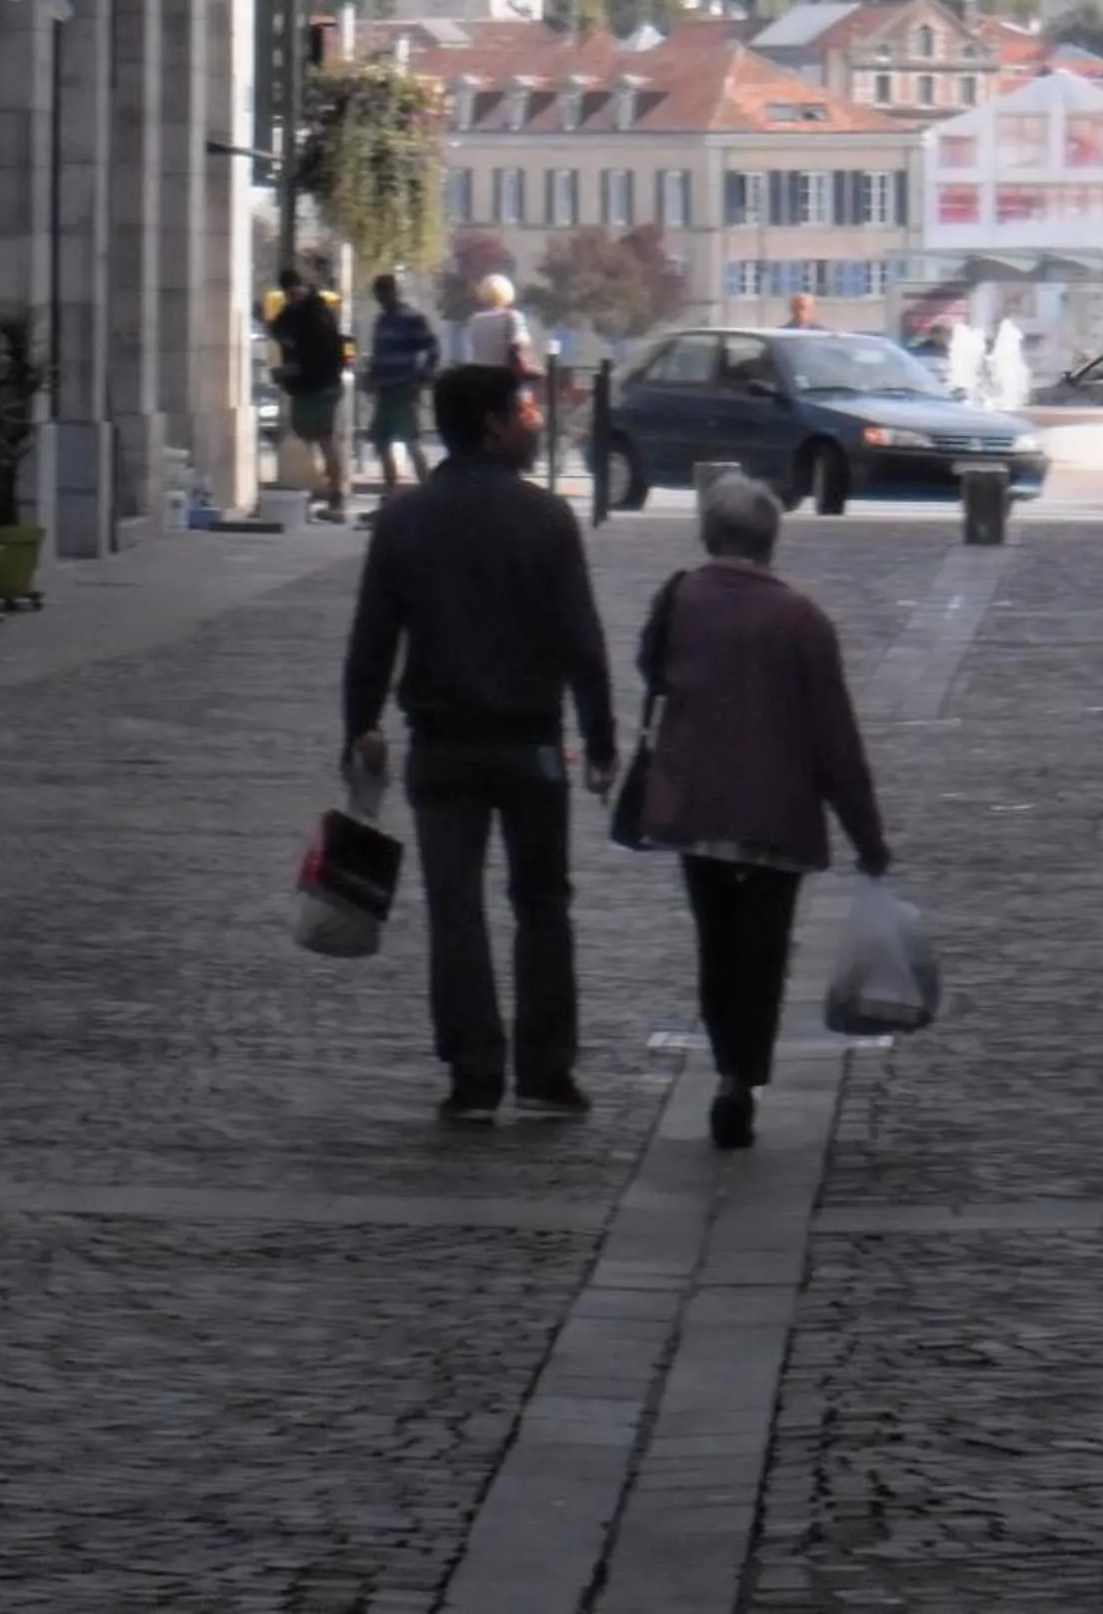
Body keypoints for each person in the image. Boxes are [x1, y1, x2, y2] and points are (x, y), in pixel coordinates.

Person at [344, 363, 617, 1123]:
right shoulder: (545, 519)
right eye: (524, 411)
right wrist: (600, 736)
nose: (533, 422)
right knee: (543, 904)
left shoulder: (405, 519)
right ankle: (546, 1069)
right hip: (530, 740)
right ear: (493, 425)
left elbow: (373, 635)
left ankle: (473, 1072)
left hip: (441, 742)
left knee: (455, 910)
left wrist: (360, 722)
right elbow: (581, 639)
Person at [638, 470, 890, 1151]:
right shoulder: (801, 619)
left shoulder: (681, 597)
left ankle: (728, 1068)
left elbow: (652, 675)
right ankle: (743, 1077)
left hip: (697, 806)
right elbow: (835, 737)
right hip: (776, 818)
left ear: (709, 532)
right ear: (770, 540)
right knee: (764, 951)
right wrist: (867, 836)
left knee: (715, 947)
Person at [271, 267, 349, 521]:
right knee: (305, 436)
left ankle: (335, 495)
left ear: (303, 288)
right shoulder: (291, 314)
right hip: (304, 387)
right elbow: (279, 330)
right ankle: (324, 489)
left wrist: (294, 367)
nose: (293, 297)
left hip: (323, 384)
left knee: (324, 439)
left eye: (296, 292)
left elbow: (323, 352)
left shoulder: (318, 314)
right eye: (289, 294)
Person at [367, 271, 440, 493]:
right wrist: (372, 376)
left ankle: (429, 491)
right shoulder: (382, 321)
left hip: (404, 388)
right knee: (381, 441)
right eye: (379, 295)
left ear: (394, 292)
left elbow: (433, 349)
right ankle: (391, 492)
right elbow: (378, 354)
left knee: (411, 441)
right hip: (384, 390)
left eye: (386, 294)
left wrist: (421, 380)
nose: (383, 299)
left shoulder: (412, 319)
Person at [464, 272, 537, 379]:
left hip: (480, 378)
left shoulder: (474, 319)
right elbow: (519, 347)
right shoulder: (513, 317)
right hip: (506, 378)